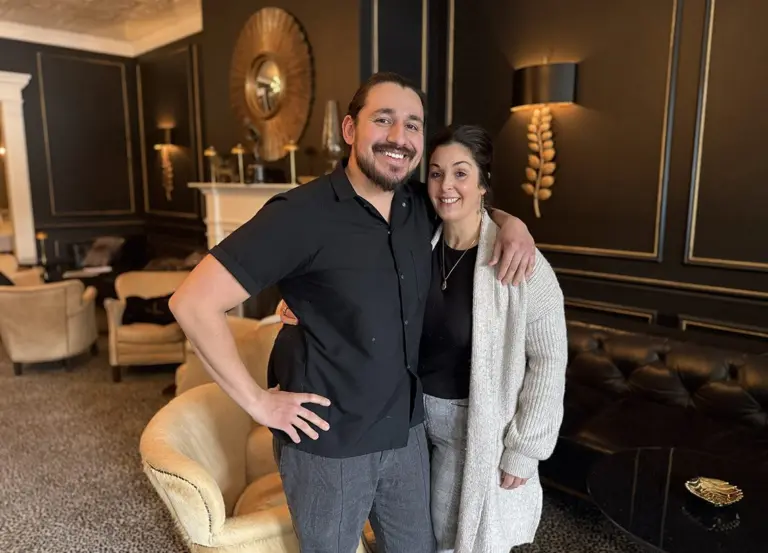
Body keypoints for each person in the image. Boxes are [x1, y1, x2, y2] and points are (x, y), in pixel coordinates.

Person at [168, 72, 537, 553]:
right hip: (330, 444)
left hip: (406, 433)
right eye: (383, 120)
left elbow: (468, 203)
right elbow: (192, 302)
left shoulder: (416, 206)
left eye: (412, 125)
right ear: (349, 129)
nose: (399, 138)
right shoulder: (300, 214)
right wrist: (258, 402)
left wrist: (514, 225)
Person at [283, 124, 567, 552]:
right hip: (407, 422)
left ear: (484, 184)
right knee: (407, 537)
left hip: (467, 430)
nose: (446, 186)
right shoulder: (416, 241)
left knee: (450, 537)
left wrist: (526, 449)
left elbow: (549, 359)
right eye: (435, 173)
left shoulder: (518, 263)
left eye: (460, 173)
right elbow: (359, 285)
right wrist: (306, 304)